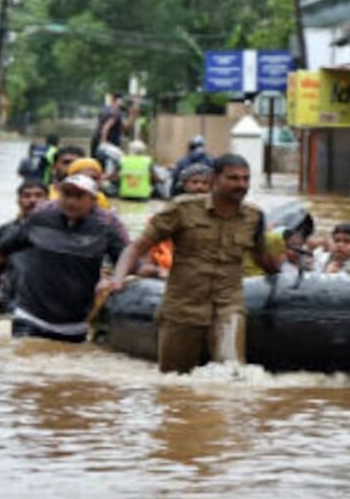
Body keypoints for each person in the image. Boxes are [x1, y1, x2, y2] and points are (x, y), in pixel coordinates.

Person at [102, 154, 280, 373]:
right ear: (215, 179)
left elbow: (261, 257)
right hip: (183, 307)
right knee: (174, 380)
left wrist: (286, 273)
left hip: (228, 305)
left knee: (232, 373)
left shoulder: (254, 217)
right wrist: (118, 279)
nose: (241, 185)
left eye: (245, 179)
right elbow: (137, 247)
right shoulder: (182, 209)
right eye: (233, 178)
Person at [0, 175, 127, 343]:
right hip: (30, 317)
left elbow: (127, 259)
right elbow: (0, 251)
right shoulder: (41, 219)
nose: (71, 202)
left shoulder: (106, 227)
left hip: (75, 325)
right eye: (66, 195)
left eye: (79, 196)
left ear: (93, 200)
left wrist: (114, 279)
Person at [0, 180, 49, 315]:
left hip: (45, 305)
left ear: (48, 200)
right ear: (18, 201)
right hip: (10, 304)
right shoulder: (7, 231)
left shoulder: (59, 232)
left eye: (38, 195)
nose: (33, 200)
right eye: (27, 196)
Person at [135, 163, 214, 279]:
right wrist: (154, 269)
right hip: (166, 272)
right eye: (195, 182)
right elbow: (145, 252)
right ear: (184, 185)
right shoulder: (164, 217)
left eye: (205, 183)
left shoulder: (219, 218)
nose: (199, 187)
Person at [90, 92, 138, 157]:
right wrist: (104, 143)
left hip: (97, 141)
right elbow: (106, 127)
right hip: (108, 144)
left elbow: (125, 127)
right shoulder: (115, 112)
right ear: (118, 100)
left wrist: (132, 115)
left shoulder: (107, 109)